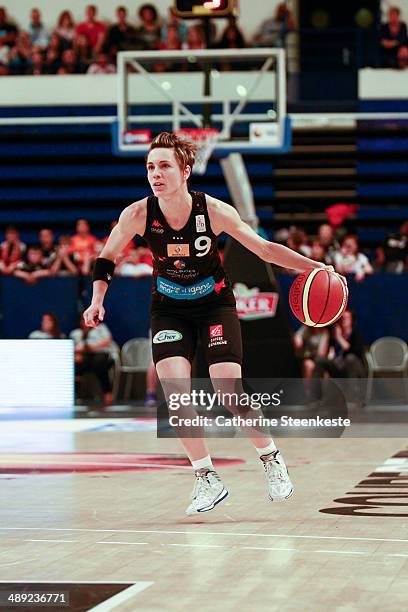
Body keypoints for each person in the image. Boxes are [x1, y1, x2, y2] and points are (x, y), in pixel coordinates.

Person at [83, 131, 344, 515]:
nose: (156, 173)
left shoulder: (215, 211)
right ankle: (206, 478)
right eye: (151, 166)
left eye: (164, 166)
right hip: (169, 309)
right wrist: (96, 300)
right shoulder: (138, 214)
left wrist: (315, 266)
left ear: (185, 170)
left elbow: (266, 249)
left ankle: (271, 459)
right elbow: (107, 258)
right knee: (176, 399)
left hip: (214, 305)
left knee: (229, 392)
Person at [70, 315, 119, 405]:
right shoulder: (76, 333)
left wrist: (91, 348)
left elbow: (107, 340)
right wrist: (78, 354)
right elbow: (73, 347)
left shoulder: (101, 328)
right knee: (75, 366)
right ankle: (77, 395)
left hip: (103, 355)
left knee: (99, 365)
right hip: (85, 358)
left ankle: (107, 393)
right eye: (83, 319)